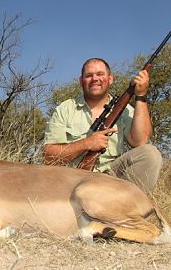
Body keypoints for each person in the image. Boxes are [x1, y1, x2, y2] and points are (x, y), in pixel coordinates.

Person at [43, 58, 162, 192]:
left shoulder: (125, 109)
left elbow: (141, 141)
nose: (95, 79)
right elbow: (49, 156)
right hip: (72, 181)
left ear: (110, 79)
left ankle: (126, 208)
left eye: (100, 74)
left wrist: (140, 96)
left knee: (150, 154)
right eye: (89, 75)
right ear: (81, 81)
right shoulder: (65, 109)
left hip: (111, 180)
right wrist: (86, 144)